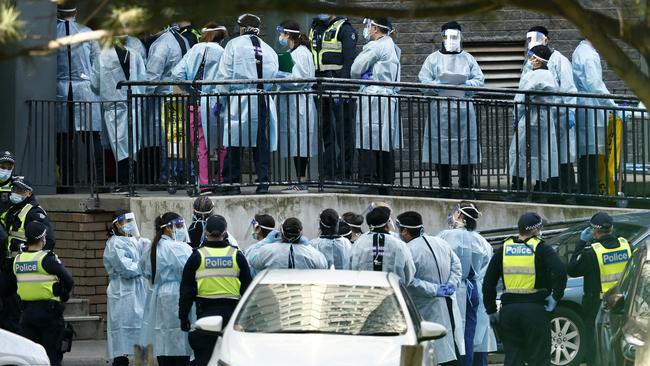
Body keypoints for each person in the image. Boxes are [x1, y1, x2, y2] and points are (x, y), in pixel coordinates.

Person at [483, 212, 567, 366]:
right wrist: (556, 297)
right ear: (535, 230)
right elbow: (560, 272)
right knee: (539, 359)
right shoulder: (541, 248)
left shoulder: (504, 248)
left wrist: (491, 310)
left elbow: (488, 282)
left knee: (514, 359)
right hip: (535, 311)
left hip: (509, 313)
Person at [215, 13, 279, 195]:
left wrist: (219, 99)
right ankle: (263, 181)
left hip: (239, 98)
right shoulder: (268, 49)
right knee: (261, 142)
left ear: (241, 27)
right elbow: (273, 75)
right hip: (261, 98)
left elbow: (225, 75)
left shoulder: (233, 45)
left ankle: (232, 183)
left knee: (234, 141)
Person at [419, 21, 485, 193]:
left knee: (465, 149)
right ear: (442, 37)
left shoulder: (468, 59)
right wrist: (440, 85)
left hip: (464, 110)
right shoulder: (432, 59)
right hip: (440, 110)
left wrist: (463, 85)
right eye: (448, 36)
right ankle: (444, 185)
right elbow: (424, 82)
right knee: (441, 149)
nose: (452, 40)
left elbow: (479, 81)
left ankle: (466, 185)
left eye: (455, 37)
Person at [179, 215, 252, 366]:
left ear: (206, 232)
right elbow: (247, 289)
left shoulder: (197, 256)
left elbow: (186, 291)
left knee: (205, 358)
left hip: (205, 315)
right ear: (225, 232)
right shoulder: (236, 255)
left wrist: (183, 317)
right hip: (232, 316)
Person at [398, 211, 465, 366]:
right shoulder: (441, 242)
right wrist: (451, 284)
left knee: (428, 352)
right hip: (448, 301)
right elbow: (457, 266)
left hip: (425, 307)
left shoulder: (408, 250)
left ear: (405, 231)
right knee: (449, 348)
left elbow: (408, 280)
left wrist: (433, 289)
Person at [5, 221, 74, 366]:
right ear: (43, 238)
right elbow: (69, 281)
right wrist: (63, 294)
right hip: (49, 315)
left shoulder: (17, 261)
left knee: (31, 358)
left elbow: (8, 287)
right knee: (52, 357)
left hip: (27, 315)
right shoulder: (47, 259)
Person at [568, 212, 631, 365]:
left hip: (598, 308)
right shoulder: (625, 245)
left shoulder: (592, 253)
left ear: (594, 232)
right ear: (612, 228)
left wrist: (581, 243)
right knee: (620, 348)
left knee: (595, 349)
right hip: (625, 304)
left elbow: (572, 269)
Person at [438, 202, 495, 366]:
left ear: (459, 215)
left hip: (453, 289)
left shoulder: (445, 236)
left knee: (455, 333)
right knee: (471, 333)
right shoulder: (482, 241)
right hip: (475, 291)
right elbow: (486, 269)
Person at [172, 23, 228, 188]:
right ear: (222, 37)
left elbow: (177, 74)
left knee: (200, 144)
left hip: (194, 101)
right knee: (222, 143)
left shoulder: (194, 49)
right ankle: (221, 179)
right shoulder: (223, 52)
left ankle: (203, 183)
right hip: (214, 102)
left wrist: (190, 88)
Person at [523, 26, 578, 193]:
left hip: (559, 116)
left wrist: (569, 112)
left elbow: (568, 88)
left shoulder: (560, 60)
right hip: (542, 118)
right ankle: (545, 189)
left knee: (562, 157)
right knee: (545, 156)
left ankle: (568, 192)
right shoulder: (531, 60)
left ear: (546, 39)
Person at [351, 17, 401, 195]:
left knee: (369, 139)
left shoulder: (376, 46)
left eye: (368, 26)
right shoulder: (392, 45)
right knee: (383, 141)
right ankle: (385, 180)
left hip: (373, 96)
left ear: (376, 29)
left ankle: (368, 180)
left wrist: (363, 73)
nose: (366, 29)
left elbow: (356, 68)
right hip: (387, 97)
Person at [56, 2, 103, 190]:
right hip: (85, 89)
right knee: (91, 136)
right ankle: (98, 180)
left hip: (59, 89)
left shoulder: (51, 33)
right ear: (76, 12)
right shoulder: (87, 32)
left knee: (64, 138)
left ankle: (67, 181)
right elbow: (98, 65)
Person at [91, 37, 147, 187]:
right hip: (134, 104)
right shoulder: (135, 55)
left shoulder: (103, 56)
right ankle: (132, 181)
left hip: (113, 106)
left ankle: (124, 182)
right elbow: (143, 80)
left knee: (119, 145)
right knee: (133, 144)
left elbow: (94, 84)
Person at [139, 212, 193, 366]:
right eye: (179, 226)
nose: (182, 229)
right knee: (178, 337)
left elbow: (144, 269)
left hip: (158, 293)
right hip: (176, 293)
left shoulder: (152, 248)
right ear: (169, 228)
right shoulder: (178, 248)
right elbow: (190, 270)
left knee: (161, 335)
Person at [308, 13, 357, 180]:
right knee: (326, 131)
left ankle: (345, 172)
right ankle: (328, 172)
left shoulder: (344, 28)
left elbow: (349, 60)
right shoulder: (315, 28)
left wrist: (343, 86)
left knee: (344, 131)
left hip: (338, 84)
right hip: (319, 85)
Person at [143, 23, 191, 185]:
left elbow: (152, 76)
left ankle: (167, 176)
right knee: (179, 137)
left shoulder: (162, 44)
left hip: (165, 97)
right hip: (181, 94)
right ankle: (182, 173)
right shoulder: (182, 39)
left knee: (168, 139)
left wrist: (143, 97)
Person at [572, 40, 620, 195]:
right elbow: (595, 85)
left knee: (586, 154)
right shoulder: (590, 55)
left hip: (584, 105)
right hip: (591, 107)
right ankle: (590, 193)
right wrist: (613, 106)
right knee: (591, 155)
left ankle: (586, 191)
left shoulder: (579, 50)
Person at [509, 45, 560, 192]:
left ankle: (517, 188)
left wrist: (517, 117)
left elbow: (520, 99)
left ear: (538, 60)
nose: (530, 60)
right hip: (545, 119)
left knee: (520, 152)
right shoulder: (550, 75)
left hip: (530, 117)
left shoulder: (531, 76)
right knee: (543, 153)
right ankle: (541, 189)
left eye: (532, 57)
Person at [276, 20, 318, 193]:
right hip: (294, 103)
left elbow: (298, 80)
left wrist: (280, 76)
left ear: (288, 34)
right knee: (296, 143)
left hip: (300, 102)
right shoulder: (292, 52)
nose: (280, 37)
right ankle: (299, 180)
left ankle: (301, 181)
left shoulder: (301, 53)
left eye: (281, 34)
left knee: (301, 143)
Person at [103, 211, 149, 366]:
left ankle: (143, 362)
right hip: (122, 292)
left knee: (142, 334)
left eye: (131, 221)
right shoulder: (114, 244)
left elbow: (149, 252)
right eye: (126, 221)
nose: (130, 225)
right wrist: (144, 266)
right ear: (117, 224)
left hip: (138, 291)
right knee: (122, 336)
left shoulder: (135, 241)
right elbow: (127, 269)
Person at [349, 205, 415, 285]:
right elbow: (409, 273)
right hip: (392, 293)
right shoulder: (399, 245)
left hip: (364, 292)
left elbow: (350, 268)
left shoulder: (359, 243)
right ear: (387, 225)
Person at [1, 178, 55, 255]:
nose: (15, 193)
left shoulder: (34, 212)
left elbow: (49, 240)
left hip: (26, 262)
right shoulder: (11, 209)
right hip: (10, 260)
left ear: (29, 193)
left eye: (19, 190)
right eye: (13, 189)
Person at [249, 218, 327, 271]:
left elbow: (251, 259)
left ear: (281, 232)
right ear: (301, 233)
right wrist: (309, 247)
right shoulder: (313, 254)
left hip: (275, 292)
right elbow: (323, 266)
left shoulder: (268, 251)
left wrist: (265, 241)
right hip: (303, 292)